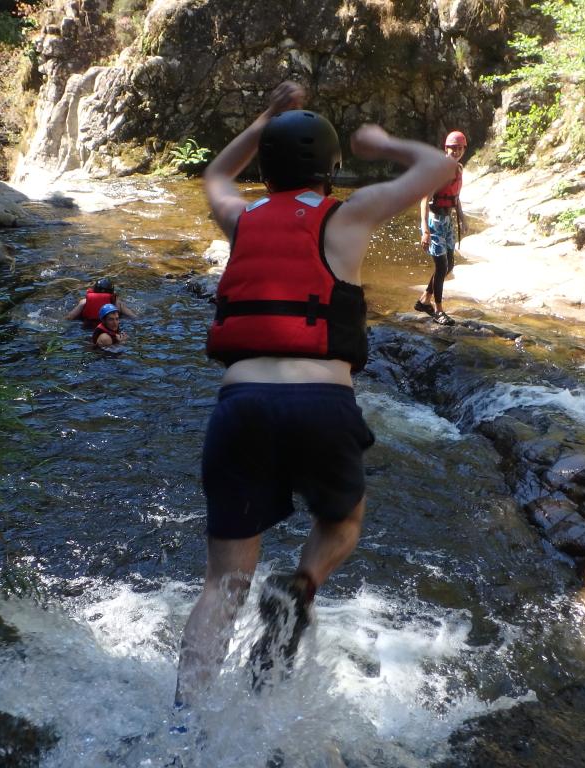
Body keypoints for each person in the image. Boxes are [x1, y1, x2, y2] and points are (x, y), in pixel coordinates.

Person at [174, 81, 456, 709]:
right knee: (341, 521)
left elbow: (217, 172)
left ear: (267, 167)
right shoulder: (349, 215)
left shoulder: (240, 217)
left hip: (240, 404)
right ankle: (300, 584)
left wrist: (266, 115)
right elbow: (443, 167)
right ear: (331, 168)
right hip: (321, 403)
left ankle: (185, 725)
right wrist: (381, 143)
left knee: (222, 582)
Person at [414, 130, 468, 325]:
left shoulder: (459, 169)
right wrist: (425, 231)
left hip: (448, 221)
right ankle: (438, 310)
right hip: (435, 222)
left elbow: (456, 197)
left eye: (460, 148)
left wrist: (462, 218)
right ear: (446, 148)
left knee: (449, 265)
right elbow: (424, 200)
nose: (456, 151)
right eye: (453, 148)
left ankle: (424, 300)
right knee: (442, 265)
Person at [65, 277, 137, 321]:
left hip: (87, 328)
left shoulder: (84, 302)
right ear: (111, 293)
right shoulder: (116, 303)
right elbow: (133, 317)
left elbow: (69, 318)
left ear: (94, 291)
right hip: (108, 328)